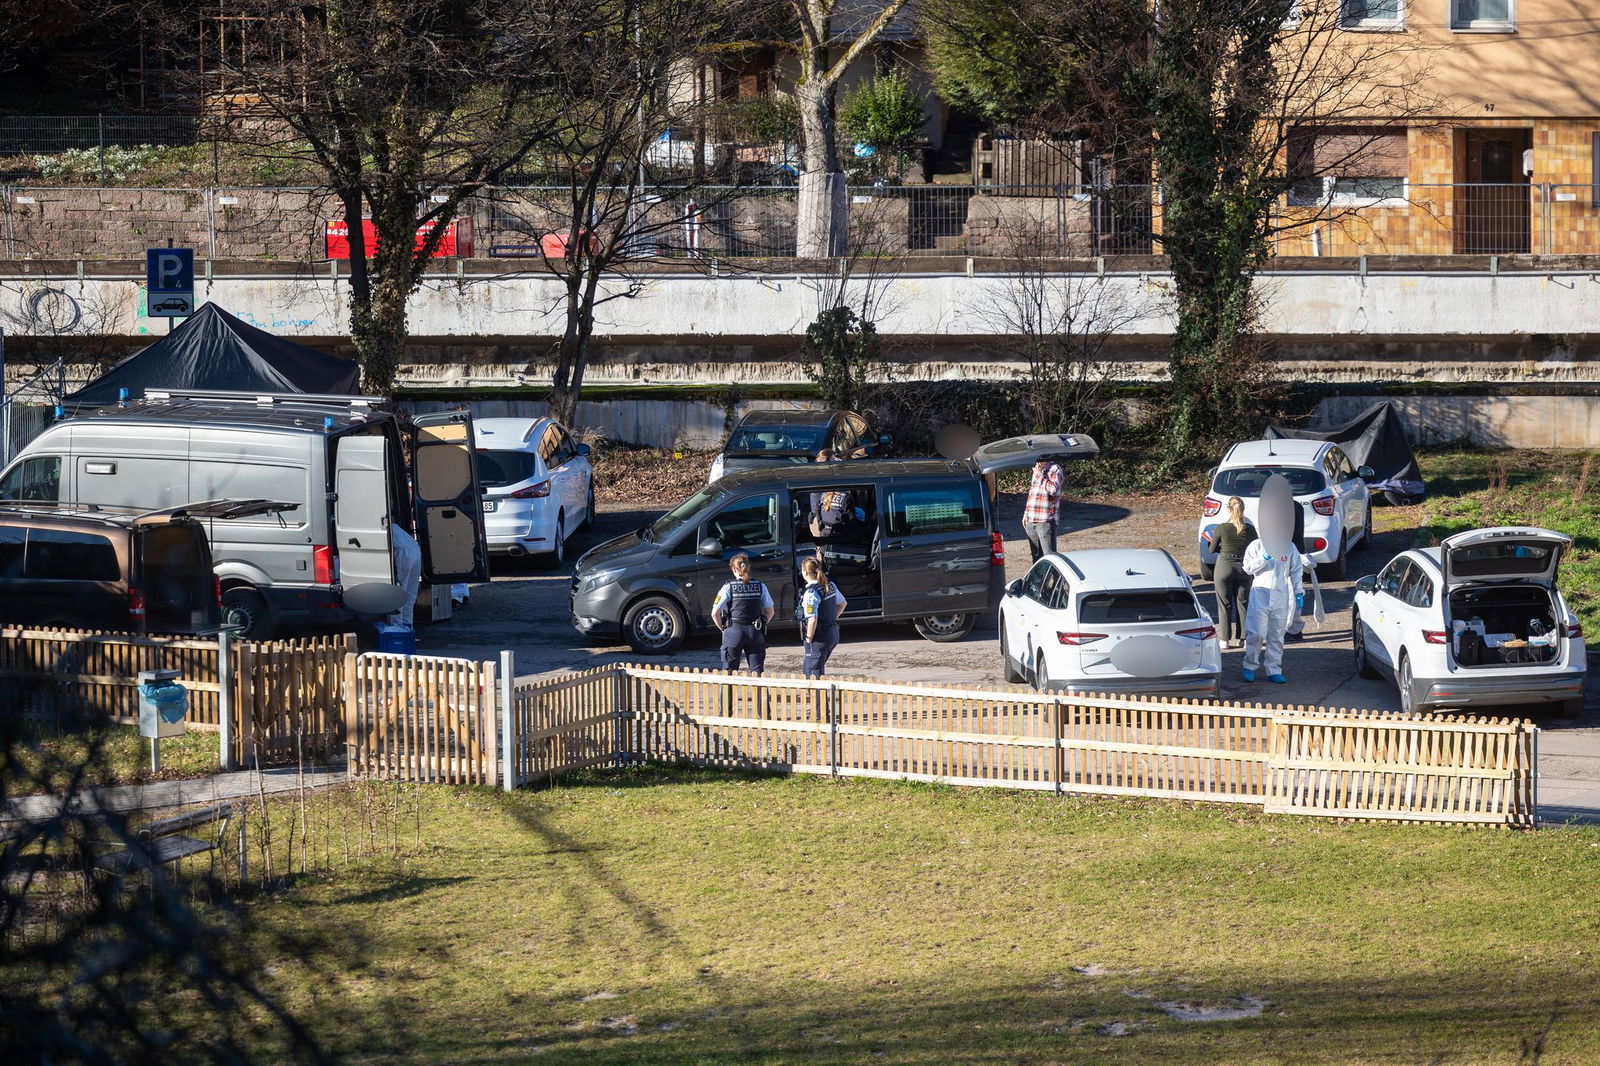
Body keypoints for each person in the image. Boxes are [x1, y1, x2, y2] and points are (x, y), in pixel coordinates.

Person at [1241, 540, 1305, 684]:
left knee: (1277, 634)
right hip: (1260, 594)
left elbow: (1296, 571)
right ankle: (1250, 666)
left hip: (1281, 595)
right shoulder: (1256, 545)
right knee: (1256, 633)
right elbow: (1247, 568)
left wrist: (1298, 592)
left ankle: (1274, 669)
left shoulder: (1289, 546)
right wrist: (1263, 558)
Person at [711, 553, 775, 675]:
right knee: (757, 672)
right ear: (748, 567)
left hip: (733, 630)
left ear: (734, 569)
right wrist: (761, 622)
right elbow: (770, 611)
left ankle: (727, 695)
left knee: (729, 672)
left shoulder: (728, 587)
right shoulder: (760, 585)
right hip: (755, 631)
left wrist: (723, 628)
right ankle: (760, 694)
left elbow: (715, 613)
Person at [1209, 496, 1256, 650]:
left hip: (1224, 566)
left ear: (1229, 509)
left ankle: (1224, 640)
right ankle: (1244, 638)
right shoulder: (1250, 529)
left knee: (1224, 604)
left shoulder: (1222, 528)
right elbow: (1256, 548)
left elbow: (1211, 549)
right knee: (1243, 603)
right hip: (1244, 566)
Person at [799, 556, 847, 678]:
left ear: (805, 572)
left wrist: (809, 639)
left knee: (813, 673)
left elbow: (812, 619)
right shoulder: (829, 585)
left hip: (819, 637)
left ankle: (819, 697)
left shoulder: (811, 593)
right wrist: (831, 618)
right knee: (810, 668)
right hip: (832, 633)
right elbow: (843, 603)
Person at [1022, 455, 1065, 562]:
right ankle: (1037, 579)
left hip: (1045, 520)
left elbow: (1053, 489)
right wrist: (1026, 514)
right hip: (1031, 520)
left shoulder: (1055, 469)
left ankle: (1055, 579)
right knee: (1036, 557)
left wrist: (1040, 475)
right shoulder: (1037, 469)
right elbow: (1032, 494)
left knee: (1050, 557)